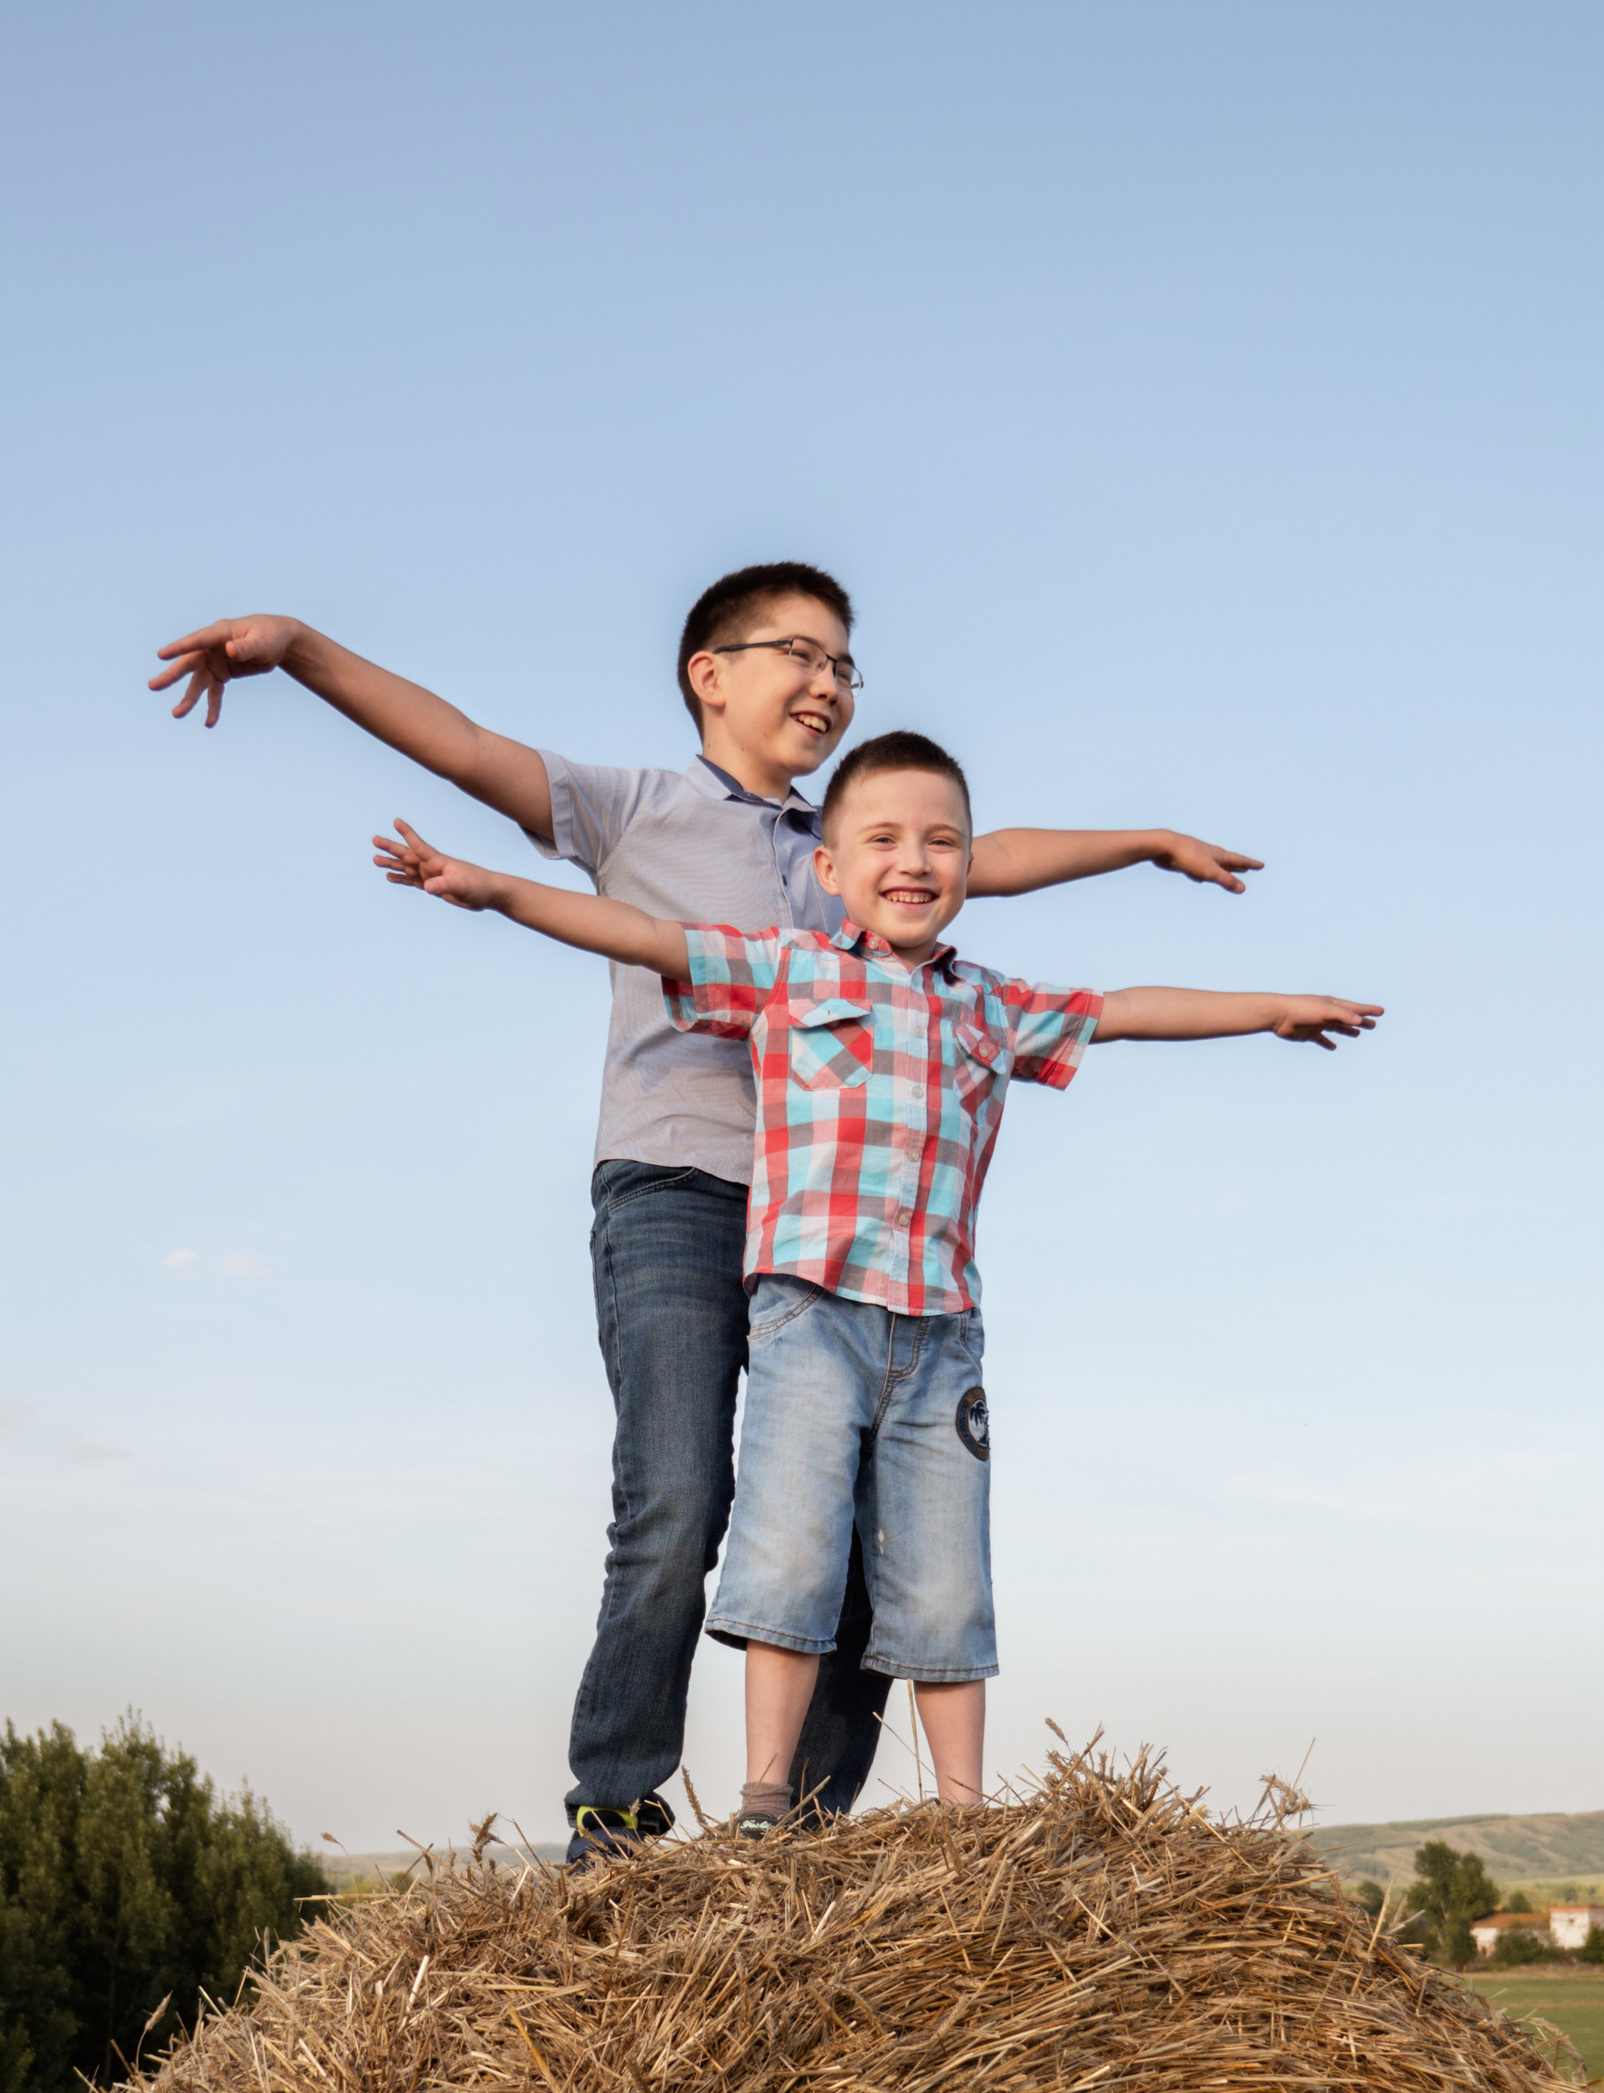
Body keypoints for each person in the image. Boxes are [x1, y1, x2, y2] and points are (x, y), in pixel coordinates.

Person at [151, 567, 1267, 1863]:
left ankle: (788, 1840)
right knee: (680, 1492)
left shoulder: (852, 845)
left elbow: (1000, 857)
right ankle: (616, 1813)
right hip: (679, 1192)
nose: (831, 682)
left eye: (848, 665)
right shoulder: (636, 809)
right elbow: (458, 747)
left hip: (835, 1242)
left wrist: (1145, 844)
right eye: (802, 653)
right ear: (710, 673)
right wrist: (297, 649)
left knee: (859, 1546)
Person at [373, 727, 1380, 1831]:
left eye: (942, 841)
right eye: (885, 839)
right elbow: (638, 929)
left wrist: (1269, 1006)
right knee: (791, 1552)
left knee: (942, 1580)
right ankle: (766, 1802)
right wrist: (495, 890)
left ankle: (963, 1824)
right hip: (809, 1314)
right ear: (830, 869)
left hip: (942, 1335)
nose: (915, 860)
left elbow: (1128, 1009)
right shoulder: (789, 970)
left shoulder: (990, 1004)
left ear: (967, 869)